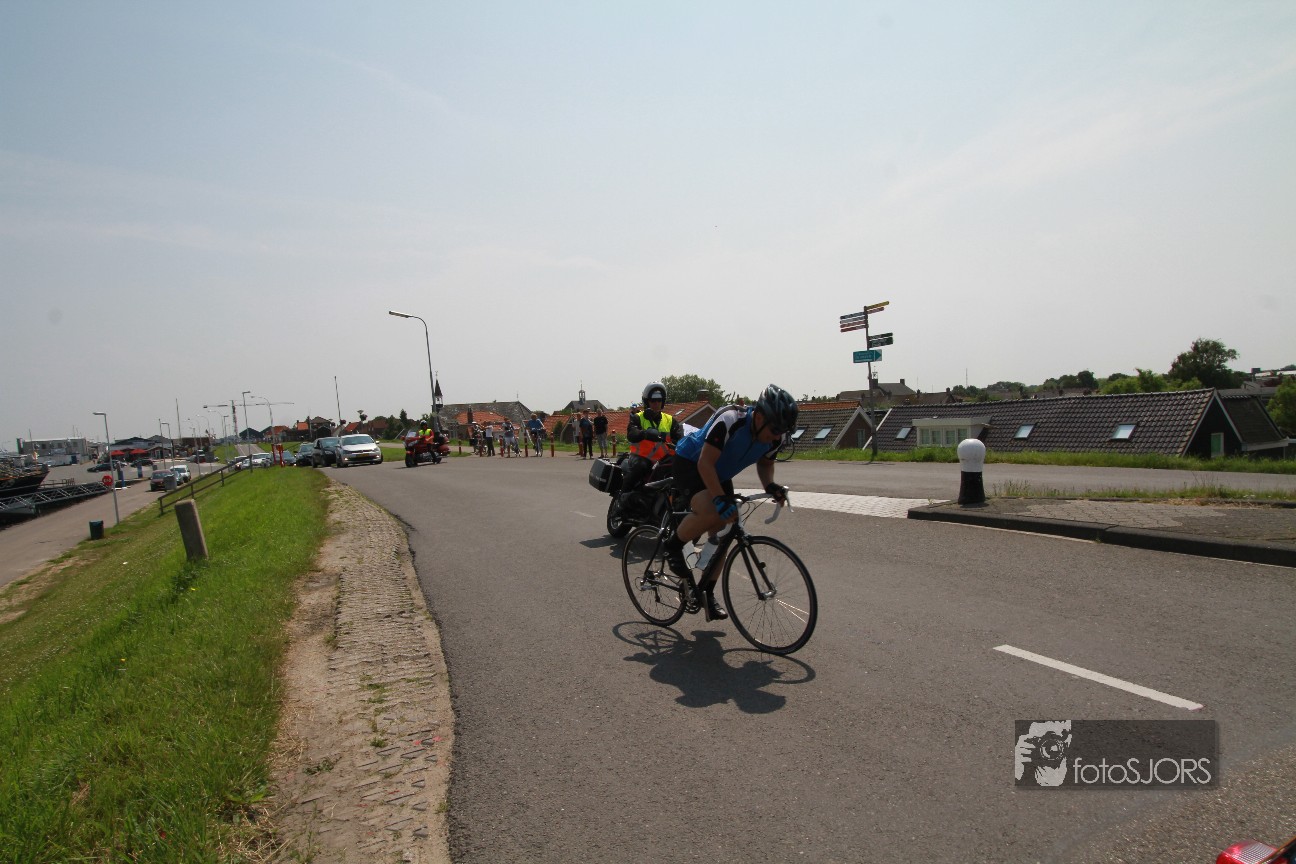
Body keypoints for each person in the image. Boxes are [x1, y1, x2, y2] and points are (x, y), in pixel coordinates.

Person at [661, 384, 797, 621]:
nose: (778, 436)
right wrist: (718, 499)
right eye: (775, 429)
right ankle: (673, 546)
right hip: (691, 462)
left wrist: (770, 486)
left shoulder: (775, 437)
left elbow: (765, 463)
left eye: (783, 431)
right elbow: (705, 463)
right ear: (760, 417)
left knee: (725, 530)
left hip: (719, 473)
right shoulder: (731, 419)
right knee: (712, 510)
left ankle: (707, 593)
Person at [622, 381, 683, 491]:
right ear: (647, 401)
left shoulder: (670, 420)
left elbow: (680, 438)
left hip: (664, 459)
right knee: (640, 466)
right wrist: (644, 434)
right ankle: (624, 495)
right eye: (653, 400)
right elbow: (631, 434)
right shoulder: (638, 417)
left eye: (659, 400)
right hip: (641, 457)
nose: (656, 403)